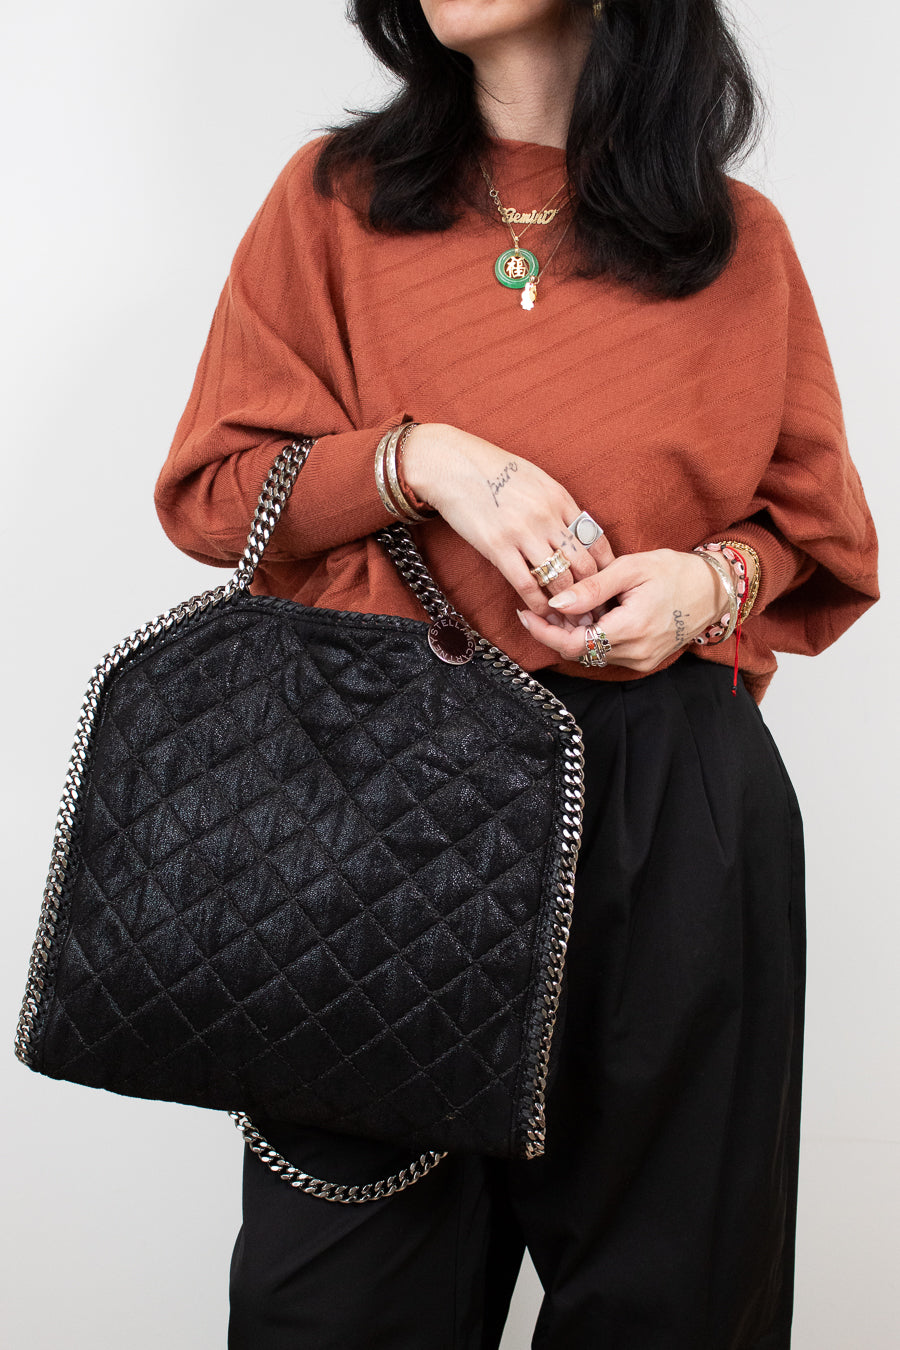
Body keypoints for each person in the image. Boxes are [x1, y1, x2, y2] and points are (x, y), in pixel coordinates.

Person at [153, 1, 879, 1345]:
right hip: (377, 803)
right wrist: (418, 456)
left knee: (674, 1312)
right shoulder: (332, 205)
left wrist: (700, 589)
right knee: (337, 1309)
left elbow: (816, 532)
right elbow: (212, 490)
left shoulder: (737, 241)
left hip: (668, 810)